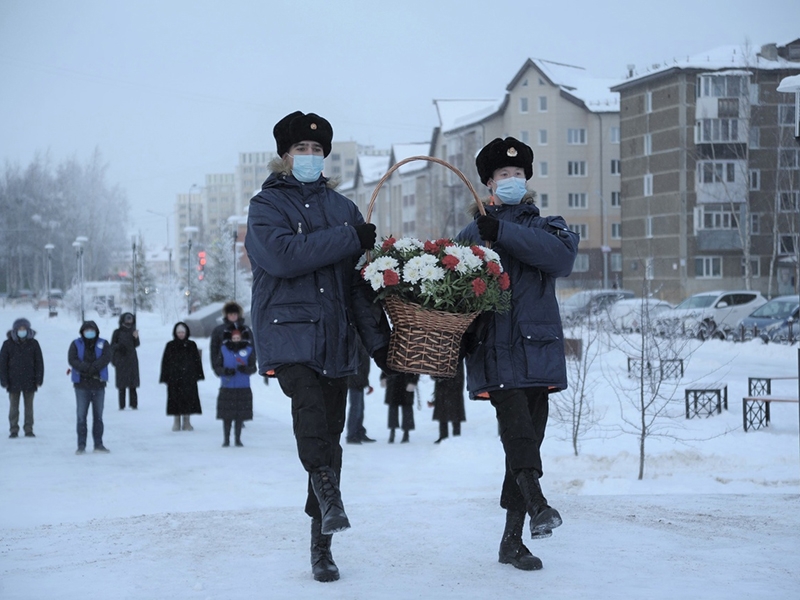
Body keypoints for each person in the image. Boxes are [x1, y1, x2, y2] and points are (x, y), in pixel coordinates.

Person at [245, 110, 392, 583]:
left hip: (336, 337)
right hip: (288, 333)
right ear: (284, 155)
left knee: (330, 436)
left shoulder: (344, 208)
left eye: (316, 150)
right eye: (300, 150)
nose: (309, 157)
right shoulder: (266, 206)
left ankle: (322, 545)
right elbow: (284, 256)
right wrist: (347, 239)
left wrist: (381, 346)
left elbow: (356, 288)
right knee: (307, 407)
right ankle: (328, 495)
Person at [457, 137, 579, 571]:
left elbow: (560, 261)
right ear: (488, 184)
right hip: (493, 351)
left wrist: (504, 231)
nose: (511, 180)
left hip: (537, 350)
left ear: (526, 180)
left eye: (517, 175)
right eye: (502, 176)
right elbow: (454, 294)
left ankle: (511, 542)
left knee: (528, 439)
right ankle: (539, 506)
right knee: (519, 434)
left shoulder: (548, 227)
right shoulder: (470, 235)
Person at [67, 321, 113, 454]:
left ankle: (98, 444)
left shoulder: (103, 343)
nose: (89, 332)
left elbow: (106, 357)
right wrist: (85, 367)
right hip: (81, 385)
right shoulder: (75, 344)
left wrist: (95, 367)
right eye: (86, 330)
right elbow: (72, 359)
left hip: (98, 385)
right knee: (81, 416)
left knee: (98, 416)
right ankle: (81, 445)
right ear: (82, 331)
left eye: (91, 329)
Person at [0, 318, 44, 438]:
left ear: (28, 329)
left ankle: (28, 428)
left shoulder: (34, 344)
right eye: (20, 329)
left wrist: (39, 379)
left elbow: (39, 362)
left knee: (29, 407)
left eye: (24, 329)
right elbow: (2, 364)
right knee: (13, 407)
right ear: (15, 330)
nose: (22, 331)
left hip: (30, 381)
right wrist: (3, 380)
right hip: (12, 381)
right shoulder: (7, 344)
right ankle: (14, 429)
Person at [213, 328, 256, 447]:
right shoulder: (223, 349)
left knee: (239, 415)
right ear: (231, 338)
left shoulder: (249, 350)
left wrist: (245, 369)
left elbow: (253, 368)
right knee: (226, 416)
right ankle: (226, 439)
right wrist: (225, 371)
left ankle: (238, 439)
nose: (236, 340)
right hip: (227, 386)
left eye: (238, 338)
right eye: (234, 338)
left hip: (243, 387)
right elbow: (217, 367)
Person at [159, 322, 204, 432]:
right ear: (175, 333)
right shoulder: (170, 345)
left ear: (186, 332)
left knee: (188, 399)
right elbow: (165, 362)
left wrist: (198, 375)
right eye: (178, 332)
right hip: (174, 379)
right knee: (175, 399)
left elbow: (197, 361)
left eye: (182, 332)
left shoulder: (191, 345)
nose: (181, 334)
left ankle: (187, 421)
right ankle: (176, 421)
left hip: (188, 378)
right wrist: (165, 377)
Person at [345, 341, 375, 444]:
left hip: (360, 381)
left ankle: (359, 432)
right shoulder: (355, 342)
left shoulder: (361, 342)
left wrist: (365, 382)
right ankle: (352, 435)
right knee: (355, 408)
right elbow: (354, 364)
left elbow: (363, 366)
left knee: (360, 408)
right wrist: (357, 380)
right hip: (355, 381)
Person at [430, 359, 466, 444]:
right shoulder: (440, 357)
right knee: (443, 414)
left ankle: (456, 436)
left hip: (454, 389)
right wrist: (437, 377)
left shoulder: (456, 358)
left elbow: (459, 376)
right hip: (442, 389)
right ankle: (443, 436)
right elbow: (433, 372)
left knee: (455, 414)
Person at [111, 312, 140, 410]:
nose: (129, 321)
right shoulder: (117, 332)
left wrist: (136, 337)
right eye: (127, 319)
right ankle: (122, 405)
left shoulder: (133, 331)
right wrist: (119, 347)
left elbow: (136, 344)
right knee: (121, 385)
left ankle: (134, 405)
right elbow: (112, 345)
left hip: (131, 359)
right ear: (123, 320)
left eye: (130, 319)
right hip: (121, 360)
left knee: (133, 384)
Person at [382, 371, 418, 443]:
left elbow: (416, 368)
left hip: (406, 382)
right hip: (393, 382)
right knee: (393, 409)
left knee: (407, 409)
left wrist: (413, 381)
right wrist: (383, 376)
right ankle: (392, 431)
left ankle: (406, 433)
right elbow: (386, 364)